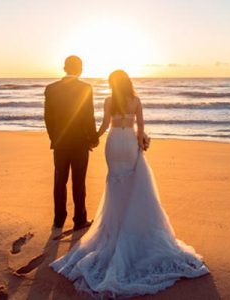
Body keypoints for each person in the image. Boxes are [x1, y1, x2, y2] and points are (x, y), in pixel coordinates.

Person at [50, 70, 209, 298]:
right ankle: (131, 224)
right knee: (133, 184)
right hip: (129, 143)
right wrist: (142, 143)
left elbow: (105, 124)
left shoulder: (109, 100)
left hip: (114, 142)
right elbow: (141, 127)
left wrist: (93, 137)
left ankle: (116, 225)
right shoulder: (135, 100)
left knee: (115, 186)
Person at [44, 55, 98, 231]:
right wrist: (93, 138)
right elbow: (88, 116)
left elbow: (48, 118)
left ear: (64, 67)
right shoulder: (85, 88)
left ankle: (58, 219)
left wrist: (54, 138)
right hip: (80, 142)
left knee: (60, 180)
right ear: (79, 68)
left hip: (60, 142)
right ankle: (79, 219)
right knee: (78, 181)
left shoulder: (51, 89)